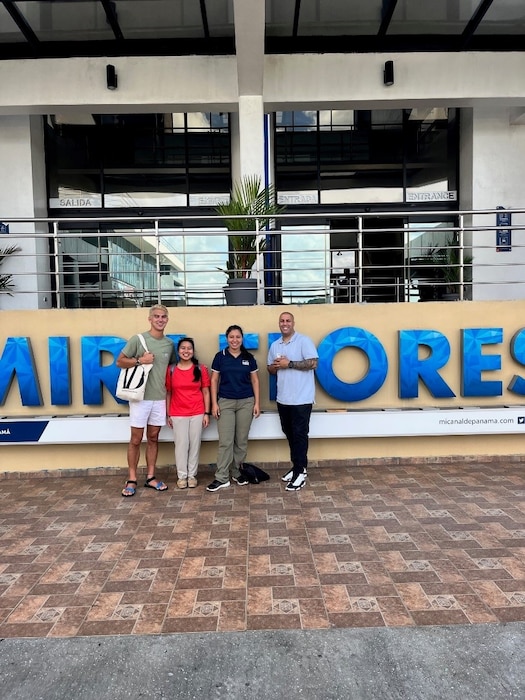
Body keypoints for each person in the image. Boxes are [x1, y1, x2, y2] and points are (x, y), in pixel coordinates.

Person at [117, 304, 177, 497]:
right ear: (150, 319)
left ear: (167, 319)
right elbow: (120, 361)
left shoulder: (169, 344)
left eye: (163, 317)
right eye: (157, 316)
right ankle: (132, 478)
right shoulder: (138, 339)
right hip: (139, 398)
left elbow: (173, 368)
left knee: (153, 438)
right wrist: (139, 361)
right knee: (135, 439)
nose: (160, 320)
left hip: (159, 399)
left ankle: (151, 477)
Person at [267, 312, 318, 491]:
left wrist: (289, 364)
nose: (285, 323)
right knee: (289, 433)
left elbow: (313, 363)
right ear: (279, 324)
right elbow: (270, 370)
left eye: (288, 320)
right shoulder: (275, 345)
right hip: (284, 399)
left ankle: (301, 472)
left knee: (299, 435)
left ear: (293, 323)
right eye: (282, 321)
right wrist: (274, 367)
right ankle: (296, 466)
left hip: (302, 399)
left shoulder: (304, 341)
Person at [207, 324, 260, 491]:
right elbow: (214, 380)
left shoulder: (249, 357)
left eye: (238, 337)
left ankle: (236, 472)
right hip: (226, 402)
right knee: (225, 442)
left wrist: (257, 403)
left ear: (242, 339)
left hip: (246, 402)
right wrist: (214, 403)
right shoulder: (220, 357)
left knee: (241, 441)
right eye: (231, 337)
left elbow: (255, 381)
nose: (234, 340)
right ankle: (222, 477)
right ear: (226, 338)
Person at [166, 337, 211, 489]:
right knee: (181, 445)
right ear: (178, 351)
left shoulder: (200, 369)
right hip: (178, 413)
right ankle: (182, 476)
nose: (186, 351)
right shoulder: (171, 370)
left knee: (195, 444)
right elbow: (168, 393)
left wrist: (206, 413)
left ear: (193, 351)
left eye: (189, 348)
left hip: (197, 412)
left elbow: (206, 391)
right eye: (183, 348)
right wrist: (168, 414)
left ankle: (192, 475)